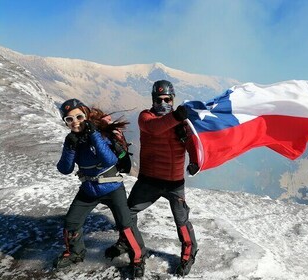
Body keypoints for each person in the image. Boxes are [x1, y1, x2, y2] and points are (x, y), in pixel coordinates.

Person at [105, 80, 199, 276]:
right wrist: (177, 117)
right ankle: (127, 243)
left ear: (172, 99)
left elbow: (191, 141)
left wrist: (195, 161)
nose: (163, 103)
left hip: (174, 182)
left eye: (167, 99)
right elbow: (156, 128)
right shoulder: (145, 117)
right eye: (159, 100)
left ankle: (189, 254)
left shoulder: (181, 122)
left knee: (182, 221)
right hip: (149, 180)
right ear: (153, 100)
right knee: (128, 213)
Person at [54, 98, 146, 278]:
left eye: (79, 117)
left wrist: (94, 134)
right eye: (69, 120)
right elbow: (64, 169)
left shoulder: (101, 133)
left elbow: (110, 160)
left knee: (125, 225)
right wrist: (70, 147)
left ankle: (138, 258)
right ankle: (75, 253)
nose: (75, 123)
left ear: (86, 116)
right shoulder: (71, 140)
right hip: (89, 188)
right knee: (72, 222)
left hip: (112, 186)